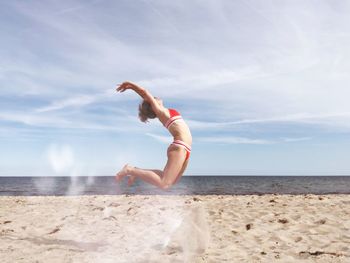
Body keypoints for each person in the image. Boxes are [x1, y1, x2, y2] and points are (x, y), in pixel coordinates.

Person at [115, 81, 192, 190]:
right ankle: (130, 170)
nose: (155, 97)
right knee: (164, 184)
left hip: (187, 148)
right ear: (153, 106)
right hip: (179, 146)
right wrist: (131, 85)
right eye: (153, 99)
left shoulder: (165, 111)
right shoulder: (161, 112)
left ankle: (136, 170)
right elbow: (144, 93)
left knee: (170, 180)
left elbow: (147, 96)